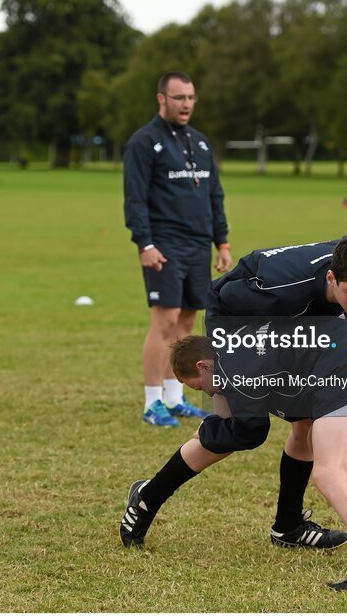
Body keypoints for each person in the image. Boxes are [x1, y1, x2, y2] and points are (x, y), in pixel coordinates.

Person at [120, 236, 347, 591]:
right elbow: (224, 305)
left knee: (309, 428)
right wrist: (240, 380)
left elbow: (343, 321)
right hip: (234, 326)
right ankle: (149, 496)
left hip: (301, 341)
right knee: (246, 429)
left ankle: (290, 527)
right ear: (332, 279)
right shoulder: (278, 288)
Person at [123, 72, 232, 428]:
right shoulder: (143, 143)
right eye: (179, 97)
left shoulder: (199, 143)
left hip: (198, 244)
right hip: (163, 245)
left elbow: (215, 195)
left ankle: (175, 396)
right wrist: (145, 243)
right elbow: (135, 199)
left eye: (190, 97)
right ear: (161, 99)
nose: (186, 104)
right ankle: (152, 402)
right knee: (165, 321)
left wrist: (222, 241)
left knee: (186, 319)